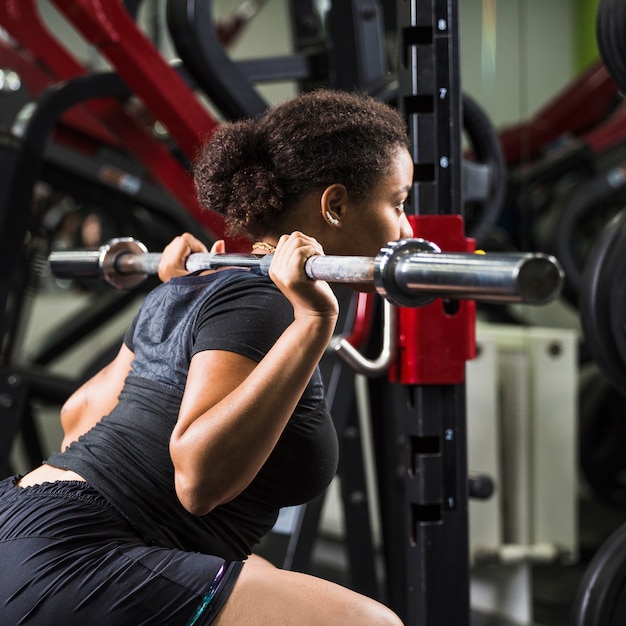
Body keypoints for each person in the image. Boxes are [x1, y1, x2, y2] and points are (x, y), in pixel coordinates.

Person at [0, 89, 413, 625]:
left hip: (20, 522)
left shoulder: (205, 287)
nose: (406, 230)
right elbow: (197, 481)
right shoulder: (272, 302)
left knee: (257, 573)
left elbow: (79, 423)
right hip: (72, 558)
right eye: (398, 204)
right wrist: (314, 322)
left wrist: (166, 296)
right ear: (334, 206)